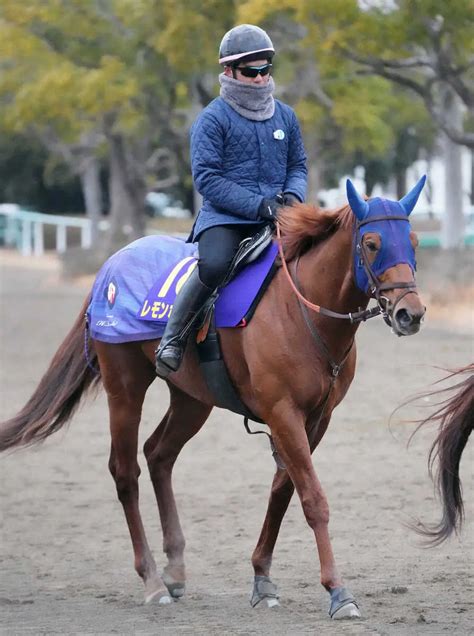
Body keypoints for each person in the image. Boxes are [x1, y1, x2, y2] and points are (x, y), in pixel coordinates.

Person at [155, 23, 308, 377]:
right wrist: (258, 205)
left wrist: (293, 197)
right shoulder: (210, 120)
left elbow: (297, 164)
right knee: (213, 265)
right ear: (228, 71)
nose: (259, 78)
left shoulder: (286, 116)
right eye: (250, 71)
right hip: (226, 219)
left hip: (281, 214)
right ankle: (173, 338)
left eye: (264, 70)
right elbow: (207, 179)